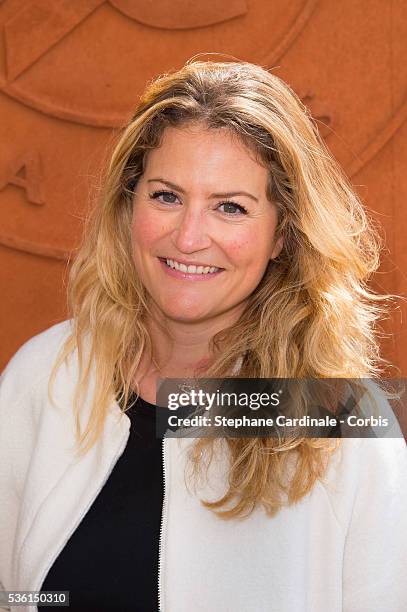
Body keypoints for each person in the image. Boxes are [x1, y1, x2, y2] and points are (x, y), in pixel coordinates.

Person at [0, 59, 406, 612]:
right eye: (166, 196)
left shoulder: (342, 418)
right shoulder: (46, 374)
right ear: (129, 204)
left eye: (230, 208)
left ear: (282, 235)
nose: (189, 237)